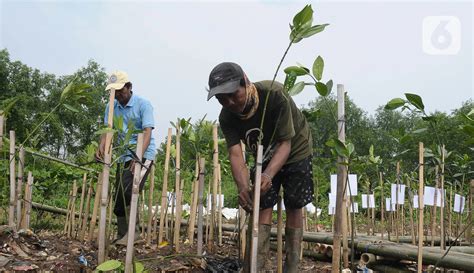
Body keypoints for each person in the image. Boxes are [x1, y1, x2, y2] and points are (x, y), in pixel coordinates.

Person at [207, 62, 314, 272]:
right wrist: (243, 188)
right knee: (261, 203)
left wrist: (268, 174)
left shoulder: (274, 95)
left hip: (295, 149)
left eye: (233, 94)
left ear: (246, 81)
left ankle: (292, 266)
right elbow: (236, 153)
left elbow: (285, 143)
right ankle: (255, 267)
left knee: (294, 204)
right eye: (221, 98)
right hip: (262, 154)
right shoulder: (226, 116)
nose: (229, 102)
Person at [95, 70, 156, 246]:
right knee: (119, 196)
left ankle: (134, 234)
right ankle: (123, 235)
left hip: (143, 155)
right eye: (113, 92)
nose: (117, 95)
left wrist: (139, 157)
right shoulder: (111, 106)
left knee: (130, 190)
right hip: (123, 156)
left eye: (120, 90)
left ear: (129, 87)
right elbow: (108, 130)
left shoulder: (143, 104)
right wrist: (102, 147)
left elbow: (147, 132)